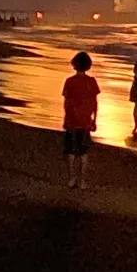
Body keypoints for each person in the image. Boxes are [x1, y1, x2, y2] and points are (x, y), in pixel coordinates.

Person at [62, 51, 100, 189]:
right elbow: (94, 103)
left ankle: (72, 179)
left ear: (75, 64)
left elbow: (66, 103)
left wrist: (65, 118)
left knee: (71, 151)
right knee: (83, 152)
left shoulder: (69, 81)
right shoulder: (91, 81)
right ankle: (83, 181)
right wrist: (94, 120)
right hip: (85, 119)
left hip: (72, 118)